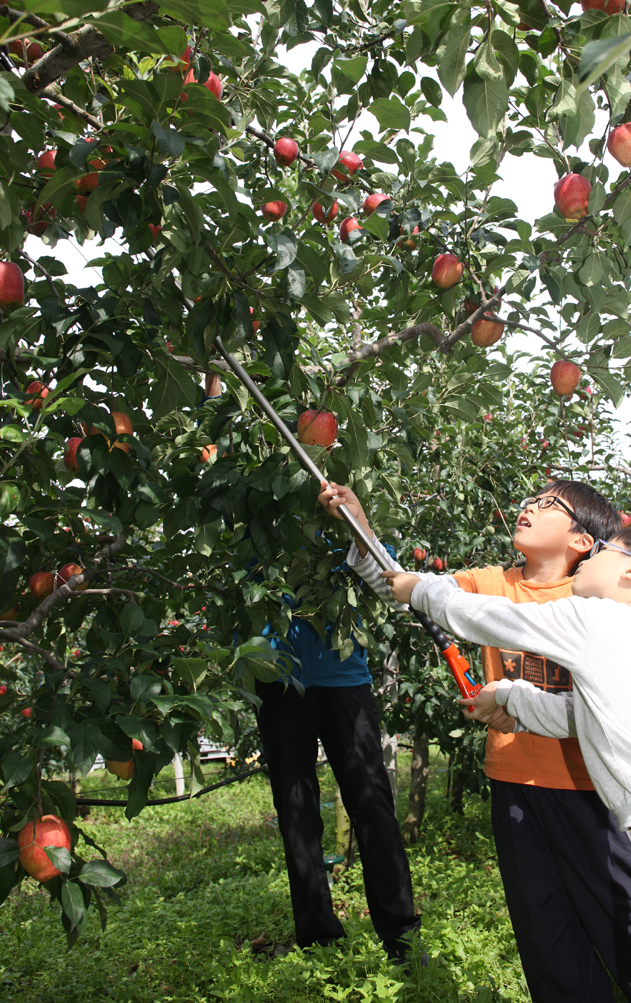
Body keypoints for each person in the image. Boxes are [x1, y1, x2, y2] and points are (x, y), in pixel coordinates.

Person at [382, 527, 631, 1003]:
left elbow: (498, 618)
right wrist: (512, 697)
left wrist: (422, 590)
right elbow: (582, 717)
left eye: (602, 551)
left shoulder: (603, 621)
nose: (588, 558)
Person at [319, 478, 631, 1003]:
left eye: (547, 505)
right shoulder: (492, 581)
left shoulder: (592, 596)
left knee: (620, 925)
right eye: (530, 499)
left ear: (582, 540)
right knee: (545, 932)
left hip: (591, 792)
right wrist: (361, 529)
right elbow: (406, 589)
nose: (528, 507)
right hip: (515, 784)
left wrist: (515, 703)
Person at [202, 376, 421, 963]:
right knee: (295, 807)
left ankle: (400, 933)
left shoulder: (337, 509)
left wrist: (359, 519)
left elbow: (386, 581)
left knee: (371, 800)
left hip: (345, 678)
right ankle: (318, 933)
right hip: (281, 679)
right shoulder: (258, 517)